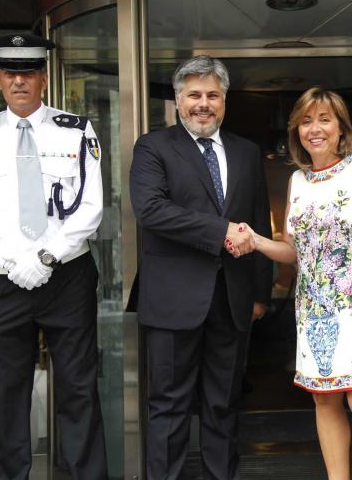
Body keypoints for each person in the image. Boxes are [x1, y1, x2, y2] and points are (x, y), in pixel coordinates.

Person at [0, 34, 107, 479]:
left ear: (43, 79)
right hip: (1, 281)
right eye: (10, 73)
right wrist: (11, 260)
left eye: (28, 73)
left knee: (78, 388)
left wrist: (47, 257)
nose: (19, 81)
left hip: (67, 277)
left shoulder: (75, 130)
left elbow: (91, 206)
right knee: (3, 393)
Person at [236, 87, 352, 480]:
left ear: (341, 128)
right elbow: (292, 251)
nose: (315, 129)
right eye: (306, 121)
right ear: (296, 131)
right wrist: (256, 240)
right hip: (314, 312)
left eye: (325, 119)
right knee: (325, 401)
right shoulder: (297, 181)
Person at [129, 55, 272, 479]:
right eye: (194, 95)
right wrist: (221, 230)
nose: (203, 104)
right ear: (178, 100)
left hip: (233, 298)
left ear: (224, 101)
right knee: (169, 406)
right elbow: (151, 211)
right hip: (172, 300)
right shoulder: (153, 147)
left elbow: (259, 222)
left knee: (223, 404)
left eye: (212, 95)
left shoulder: (247, 152)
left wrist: (260, 293)